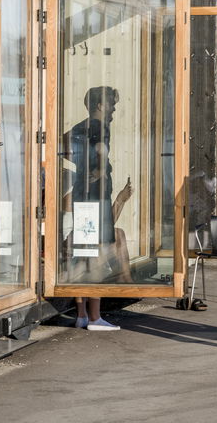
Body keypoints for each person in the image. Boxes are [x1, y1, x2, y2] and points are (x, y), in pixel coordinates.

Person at [66, 85, 133, 331]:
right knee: (99, 254)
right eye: (112, 105)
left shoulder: (80, 127)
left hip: (83, 199)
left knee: (84, 255)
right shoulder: (100, 127)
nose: (114, 109)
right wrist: (97, 172)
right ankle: (95, 317)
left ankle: (82, 314)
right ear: (101, 106)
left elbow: (65, 144)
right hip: (97, 199)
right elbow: (99, 157)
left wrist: (83, 172)